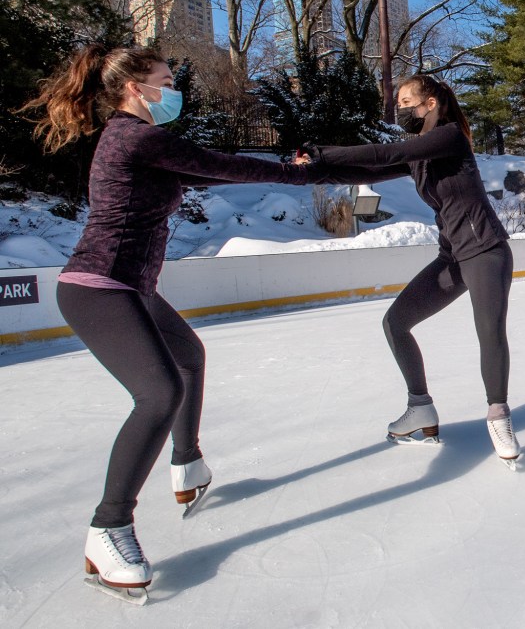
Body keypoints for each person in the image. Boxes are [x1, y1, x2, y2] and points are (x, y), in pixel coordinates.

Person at [22, 44, 327, 598]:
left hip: (131, 287)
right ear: (138, 89)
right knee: (159, 393)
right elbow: (221, 163)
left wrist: (288, 169)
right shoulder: (134, 135)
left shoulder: (140, 143)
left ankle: (186, 465)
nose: (175, 89)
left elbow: (206, 174)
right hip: (98, 287)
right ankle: (108, 527)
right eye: (166, 79)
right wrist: (292, 174)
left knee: (189, 357)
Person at [301, 74, 521, 466]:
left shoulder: (450, 137)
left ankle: (499, 414)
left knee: (489, 332)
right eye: (398, 103)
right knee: (396, 322)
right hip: (452, 257)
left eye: (406, 102)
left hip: (486, 250)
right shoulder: (419, 152)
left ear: (431, 102)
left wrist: (322, 150)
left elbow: (382, 154)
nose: (400, 109)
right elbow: (368, 171)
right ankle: (420, 407)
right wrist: (311, 169)